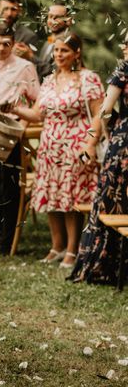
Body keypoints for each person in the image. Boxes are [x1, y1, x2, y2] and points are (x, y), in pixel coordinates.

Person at [11, 33, 103, 267]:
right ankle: (57, 246)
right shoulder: (50, 80)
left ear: (76, 53)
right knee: (52, 194)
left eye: (64, 51)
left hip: (76, 144)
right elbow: (38, 113)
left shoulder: (88, 79)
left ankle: (73, 249)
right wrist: (16, 109)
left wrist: (90, 144)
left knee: (72, 197)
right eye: (57, 50)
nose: (59, 55)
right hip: (50, 145)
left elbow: (99, 116)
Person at [0, 22, 40, 255]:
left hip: (10, 131)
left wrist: (22, 125)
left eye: (6, 44)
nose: (1, 48)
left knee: (9, 188)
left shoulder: (25, 67)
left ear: (13, 44)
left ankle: (7, 242)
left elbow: (37, 99)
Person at [68, 53, 128, 284]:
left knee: (110, 200)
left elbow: (105, 110)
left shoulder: (123, 69)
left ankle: (105, 264)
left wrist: (105, 133)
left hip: (122, 142)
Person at [0, 0, 40, 64]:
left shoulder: (28, 36)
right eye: (5, 9)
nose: (9, 13)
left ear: (20, 11)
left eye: (13, 9)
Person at [36, 3, 73, 82]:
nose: (52, 21)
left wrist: (31, 57)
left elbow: (56, 72)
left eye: (57, 17)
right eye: (50, 16)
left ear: (69, 20)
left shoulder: (70, 43)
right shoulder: (48, 42)